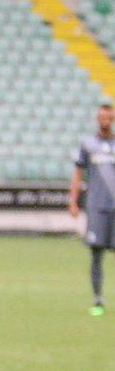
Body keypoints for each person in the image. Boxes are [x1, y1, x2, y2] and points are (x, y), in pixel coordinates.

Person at [69, 103, 115, 316]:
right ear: (98, 118)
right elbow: (78, 172)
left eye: (108, 116)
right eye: (102, 116)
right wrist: (73, 200)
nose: (105, 119)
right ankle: (97, 300)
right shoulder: (87, 143)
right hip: (96, 207)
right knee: (96, 255)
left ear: (112, 119)